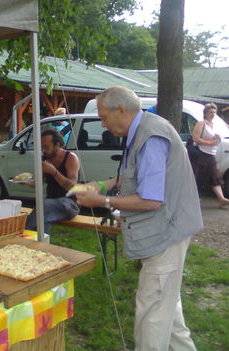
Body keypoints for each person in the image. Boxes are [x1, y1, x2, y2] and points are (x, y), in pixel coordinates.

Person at [75, 86, 203, 351]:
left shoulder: (151, 136)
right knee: (168, 309)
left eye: (103, 117)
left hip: (165, 235)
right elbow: (140, 173)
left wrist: (102, 201)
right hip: (169, 233)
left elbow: (151, 199)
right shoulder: (145, 128)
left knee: (152, 315)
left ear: (121, 110)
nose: (103, 124)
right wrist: (103, 184)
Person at [25, 128, 80, 234]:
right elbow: (39, 182)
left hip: (69, 203)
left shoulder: (71, 158)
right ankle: (41, 245)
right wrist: (28, 182)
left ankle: (27, 232)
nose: (44, 150)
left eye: (46, 147)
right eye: (42, 147)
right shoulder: (45, 158)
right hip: (50, 202)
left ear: (57, 145)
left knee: (43, 207)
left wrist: (54, 172)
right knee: (43, 217)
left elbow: (72, 187)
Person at [191, 103, 229, 207]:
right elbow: (195, 138)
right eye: (210, 112)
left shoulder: (213, 125)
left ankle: (221, 199)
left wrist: (217, 138)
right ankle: (191, 199)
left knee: (214, 176)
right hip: (201, 155)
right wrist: (210, 142)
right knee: (197, 177)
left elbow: (213, 139)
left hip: (210, 154)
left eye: (214, 112)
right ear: (205, 113)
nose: (213, 114)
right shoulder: (201, 124)